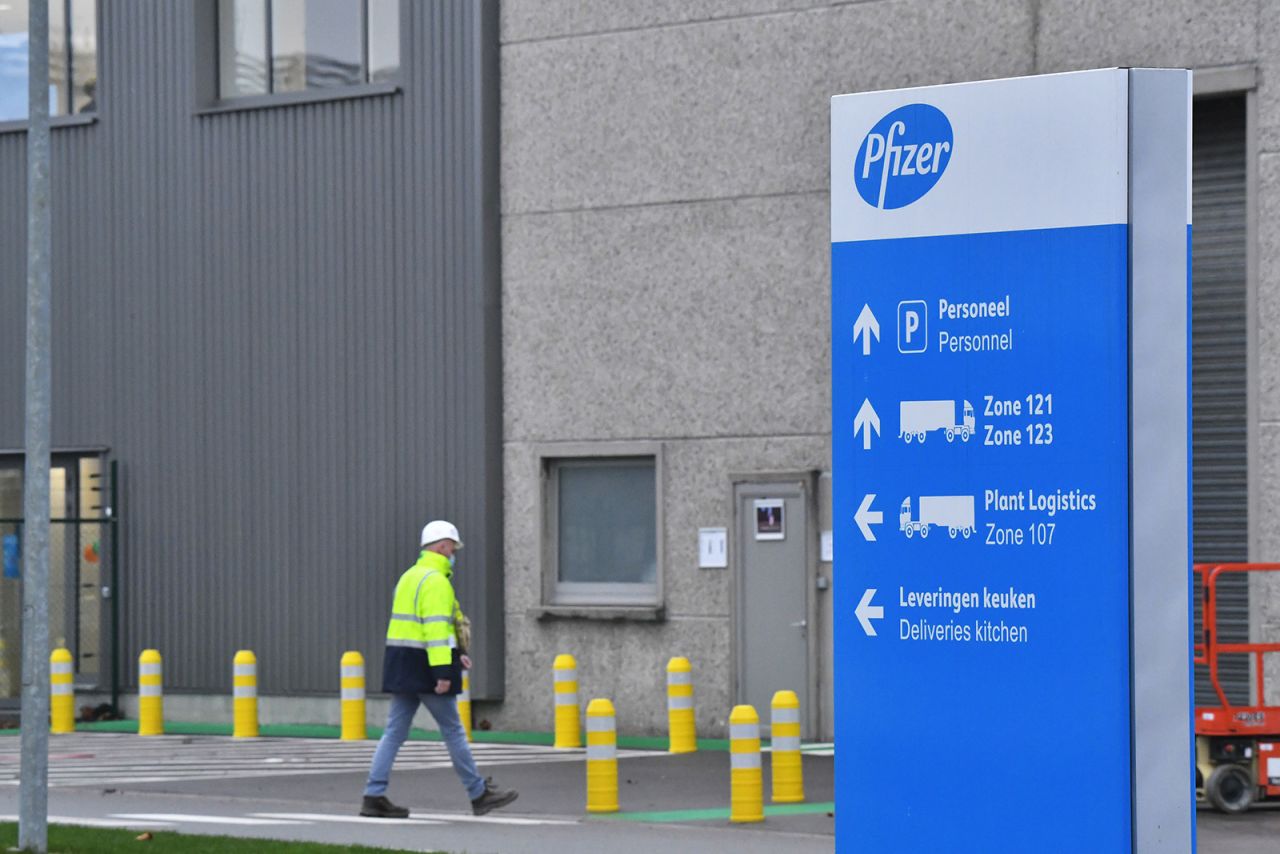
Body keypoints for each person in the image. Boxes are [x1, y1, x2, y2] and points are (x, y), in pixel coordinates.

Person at [360, 520, 518, 818]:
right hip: (427, 668)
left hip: (403, 663)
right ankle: (478, 793)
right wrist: (443, 673)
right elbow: (434, 630)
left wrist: (457, 655)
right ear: (442, 546)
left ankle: (373, 794)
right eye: (452, 548)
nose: (454, 554)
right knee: (454, 730)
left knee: (394, 731)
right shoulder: (437, 581)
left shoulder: (408, 577)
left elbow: (418, 628)